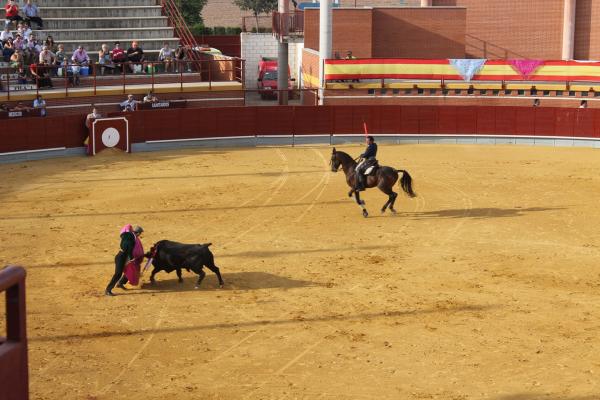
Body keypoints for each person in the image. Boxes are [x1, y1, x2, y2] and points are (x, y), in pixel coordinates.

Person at [105, 224, 138, 296]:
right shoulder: (130, 237)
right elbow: (129, 249)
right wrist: (132, 258)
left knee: (128, 270)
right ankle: (108, 290)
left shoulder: (125, 236)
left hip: (122, 256)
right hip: (121, 258)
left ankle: (120, 283)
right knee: (118, 274)